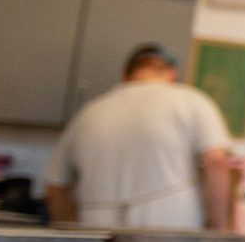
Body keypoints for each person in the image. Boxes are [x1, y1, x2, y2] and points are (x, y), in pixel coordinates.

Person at [44, 43, 232, 230]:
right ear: (173, 73)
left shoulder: (88, 113)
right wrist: (219, 230)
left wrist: (74, 239)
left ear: (125, 74)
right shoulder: (193, 101)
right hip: (170, 233)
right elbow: (216, 163)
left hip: (99, 237)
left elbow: (55, 189)